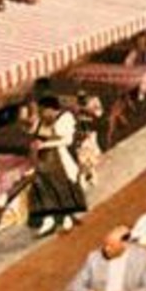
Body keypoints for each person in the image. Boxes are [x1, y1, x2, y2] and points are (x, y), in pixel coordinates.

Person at [29, 98, 88, 235]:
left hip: (63, 156)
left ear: (51, 109)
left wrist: (44, 145)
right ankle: (50, 220)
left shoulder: (65, 118)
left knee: (65, 185)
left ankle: (67, 217)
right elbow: (35, 133)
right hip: (45, 159)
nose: (41, 113)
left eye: (43, 110)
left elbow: (67, 140)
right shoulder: (42, 121)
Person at [67, 225, 146, 291]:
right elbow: (74, 287)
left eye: (111, 246)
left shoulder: (142, 257)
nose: (106, 249)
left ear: (125, 244)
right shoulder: (94, 258)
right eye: (105, 244)